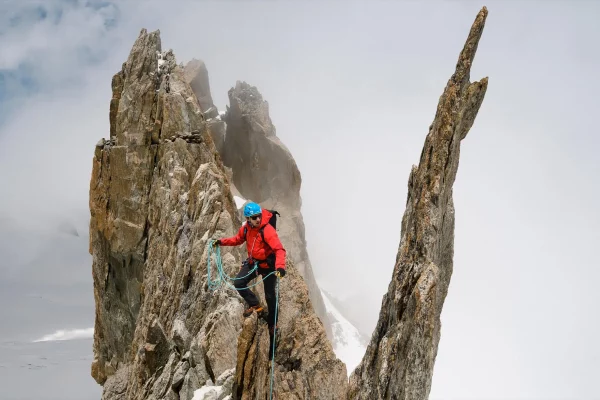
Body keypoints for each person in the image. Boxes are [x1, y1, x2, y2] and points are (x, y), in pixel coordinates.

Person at [213, 202, 286, 336]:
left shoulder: (267, 229)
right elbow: (237, 239)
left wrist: (280, 267)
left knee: (270, 296)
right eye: (254, 217)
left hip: (268, 266)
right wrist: (221, 242)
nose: (258, 219)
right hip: (254, 263)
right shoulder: (246, 229)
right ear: (248, 219)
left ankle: (272, 324)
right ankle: (255, 305)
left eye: (259, 216)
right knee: (238, 283)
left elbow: (279, 249)